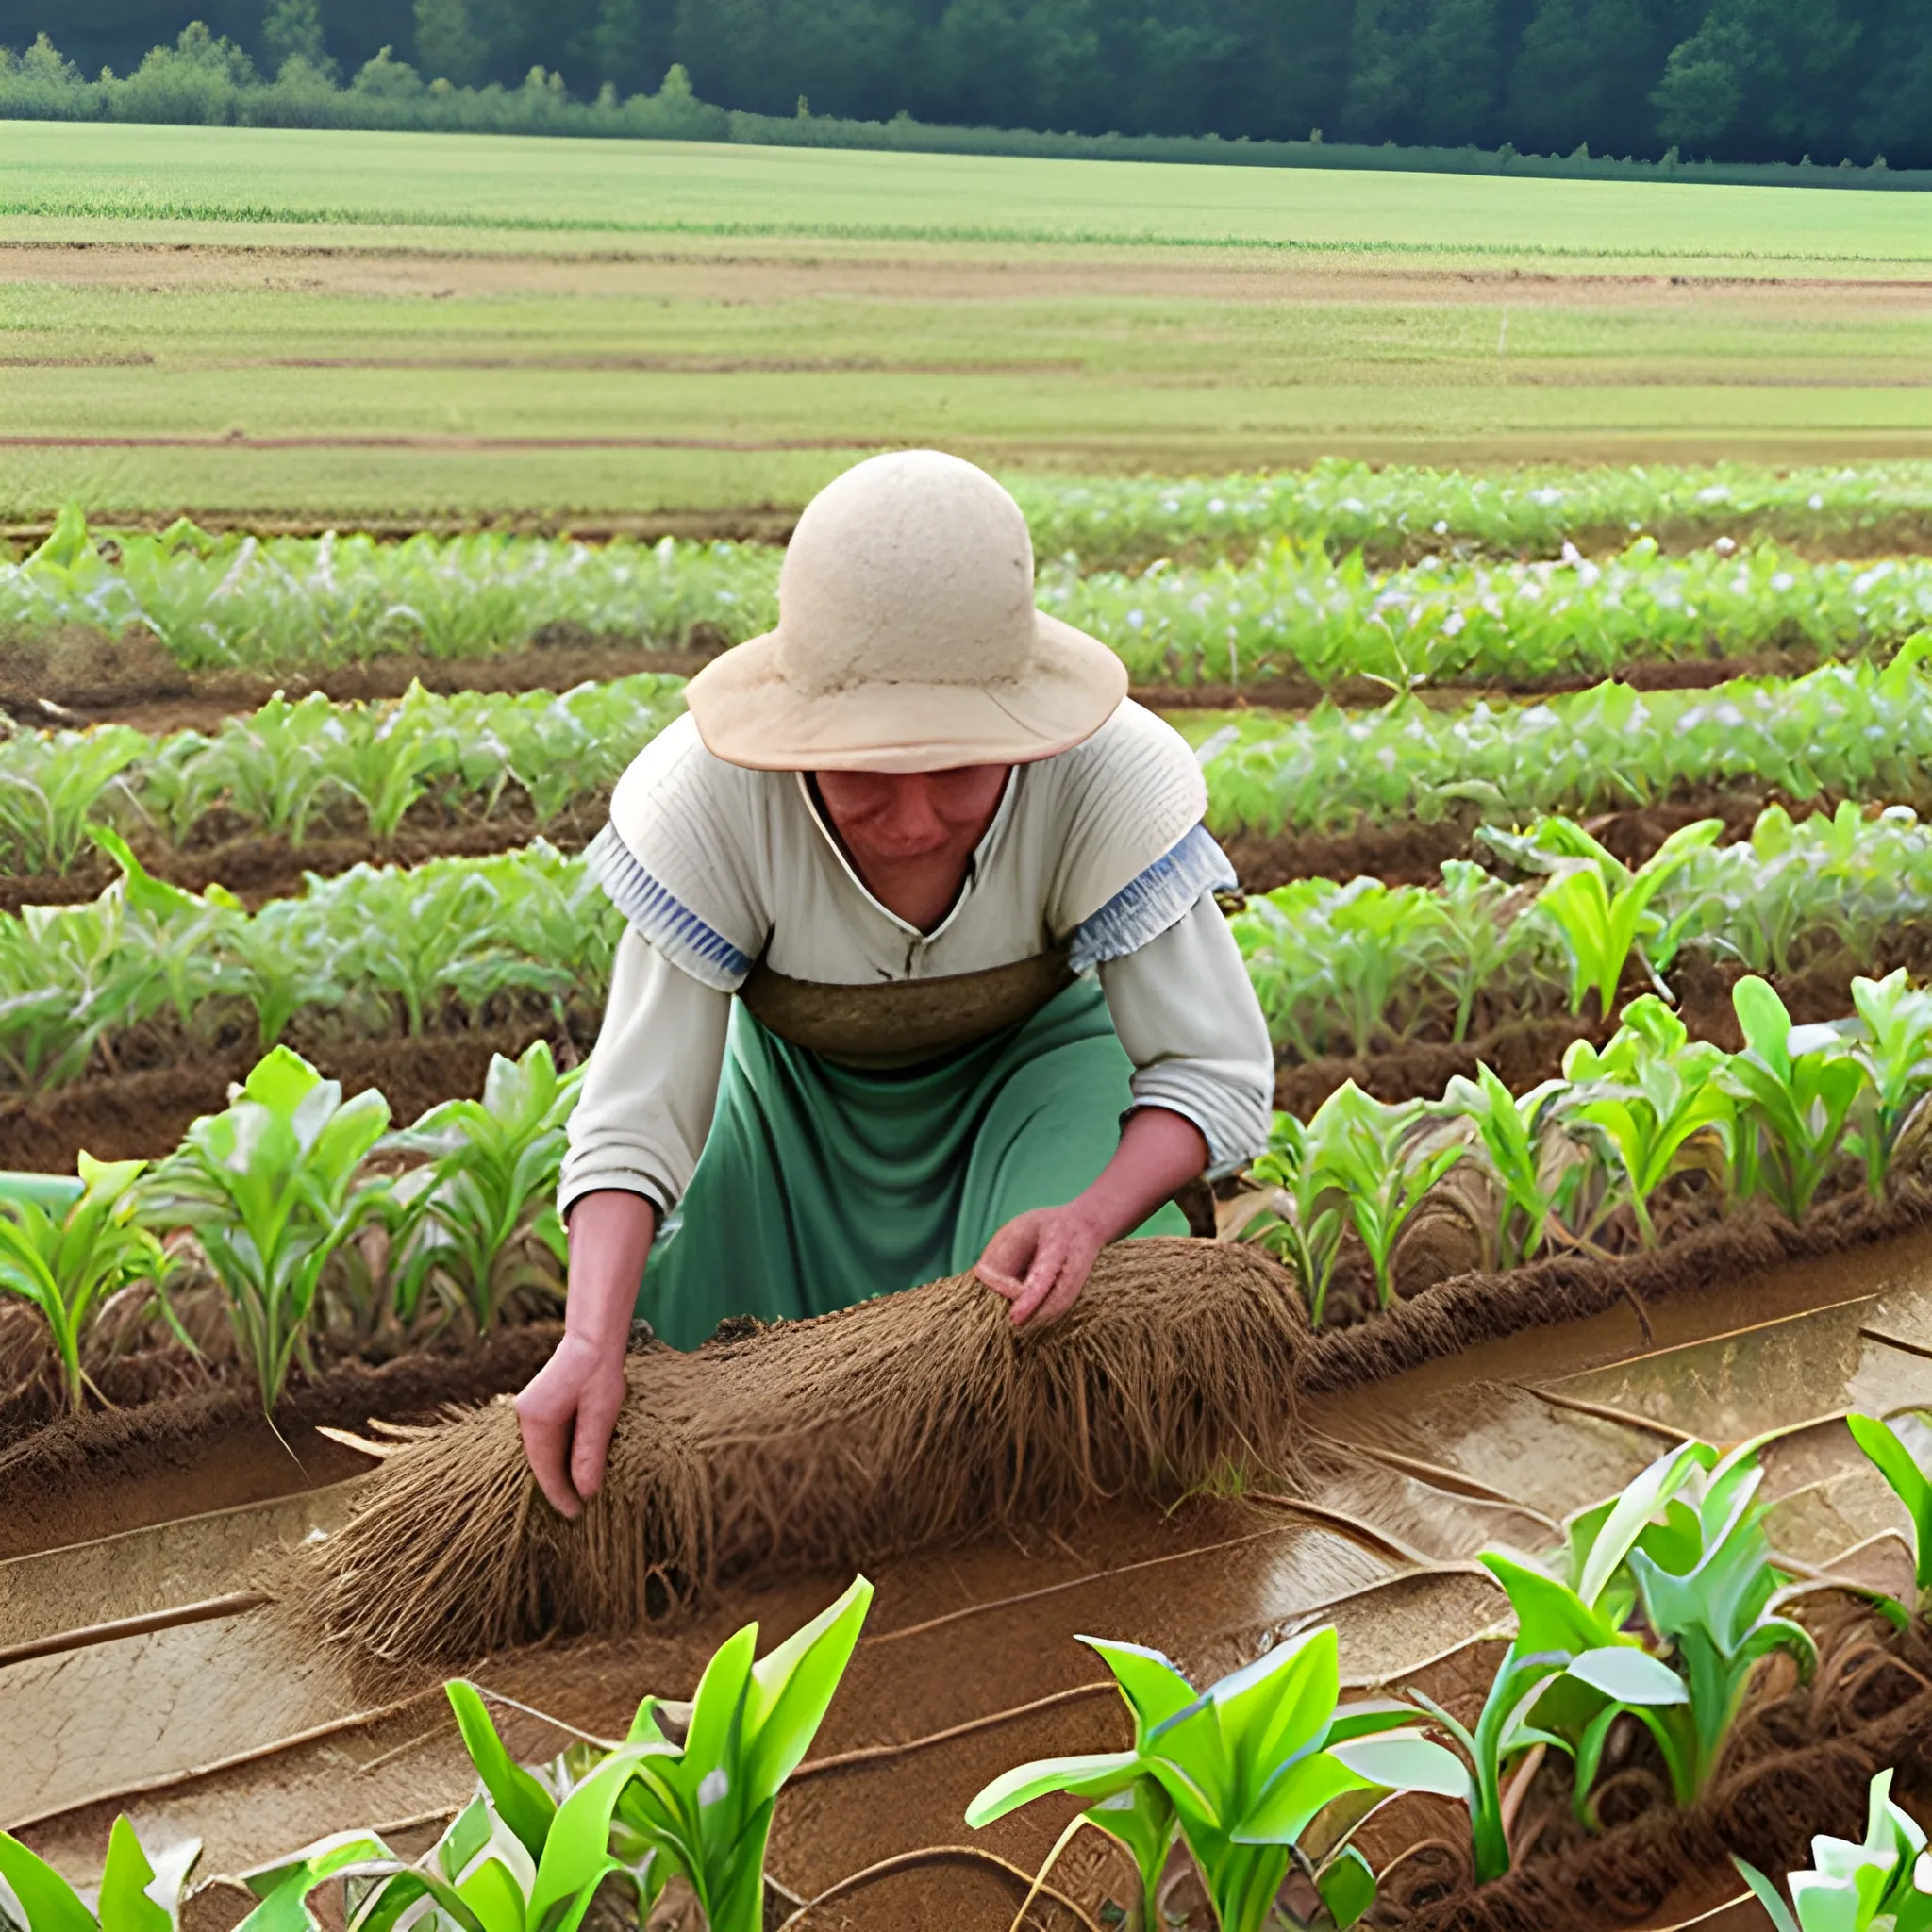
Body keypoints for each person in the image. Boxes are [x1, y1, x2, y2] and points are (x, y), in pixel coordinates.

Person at [516, 450, 1274, 1517]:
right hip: (794, 1108)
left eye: (958, 771)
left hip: (1035, 1085)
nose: (913, 822)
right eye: (867, 773)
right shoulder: (708, 801)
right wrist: (589, 1336)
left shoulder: (1102, 777)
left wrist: (1089, 1217)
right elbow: (638, 1109)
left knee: (1076, 1357)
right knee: (680, 1379)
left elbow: (1211, 1071)